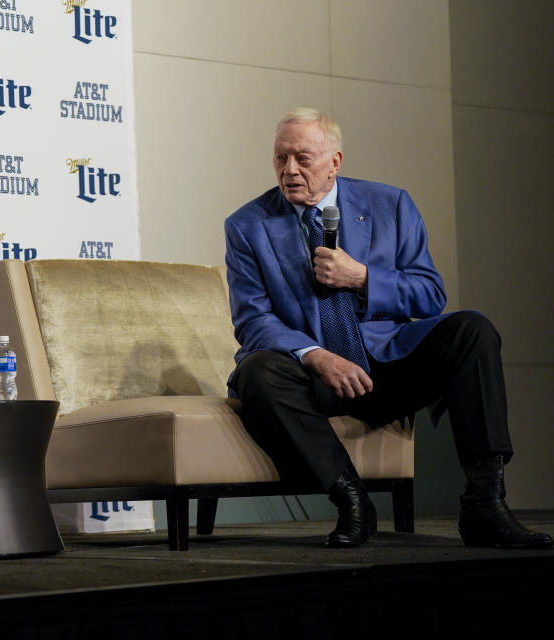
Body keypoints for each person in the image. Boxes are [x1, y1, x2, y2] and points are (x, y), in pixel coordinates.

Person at [224, 107, 551, 550]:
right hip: (316, 376)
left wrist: (362, 278)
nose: (290, 171)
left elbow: (429, 294)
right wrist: (317, 356)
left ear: (335, 161)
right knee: (257, 372)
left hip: (388, 361)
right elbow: (253, 320)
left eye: (303, 158)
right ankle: (352, 501)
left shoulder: (390, 204)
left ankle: (484, 504)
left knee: (472, 329)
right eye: (280, 159)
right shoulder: (247, 225)